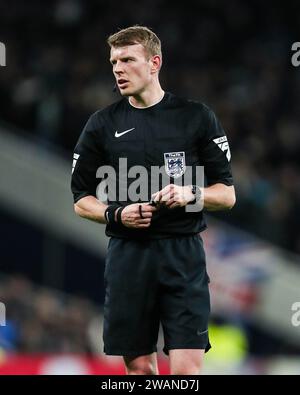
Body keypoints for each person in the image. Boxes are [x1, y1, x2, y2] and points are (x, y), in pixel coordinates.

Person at [71, 25, 236, 375]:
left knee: (186, 372)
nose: (117, 68)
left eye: (127, 59)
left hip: (183, 255)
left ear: (154, 63)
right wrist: (117, 214)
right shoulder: (101, 125)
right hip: (129, 257)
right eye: (114, 61)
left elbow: (227, 194)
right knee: (140, 371)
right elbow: (81, 199)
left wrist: (191, 193)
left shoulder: (196, 117)